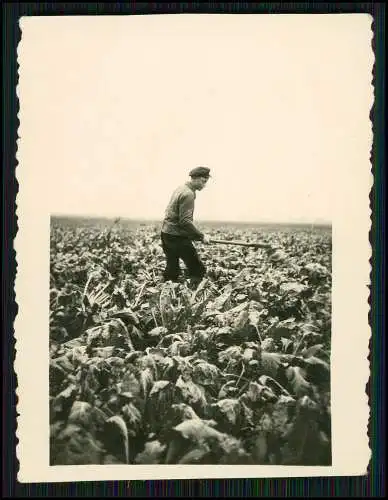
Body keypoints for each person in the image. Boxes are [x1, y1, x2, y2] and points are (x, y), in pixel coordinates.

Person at [160, 166, 211, 287]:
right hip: (177, 236)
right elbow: (185, 222)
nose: (204, 185)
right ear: (195, 179)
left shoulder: (180, 188)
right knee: (197, 269)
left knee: (172, 267)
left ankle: (167, 291)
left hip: (166, 233)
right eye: (203, 181)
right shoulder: (188, 194)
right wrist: (201, 236)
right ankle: (194, 295)